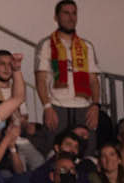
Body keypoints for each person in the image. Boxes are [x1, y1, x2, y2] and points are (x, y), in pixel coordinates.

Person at [34, 0, 100, 140]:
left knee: (86, 153)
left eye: (74, 13)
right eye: (66, 13)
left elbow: (93, 80)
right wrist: (47, 107)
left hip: (84, 107)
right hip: (57, 107)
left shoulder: (86, 46)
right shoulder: (46, 44)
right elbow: (41, 80)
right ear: (56, 17)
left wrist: (95, 106)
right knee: (56, 154)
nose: (71, 17)